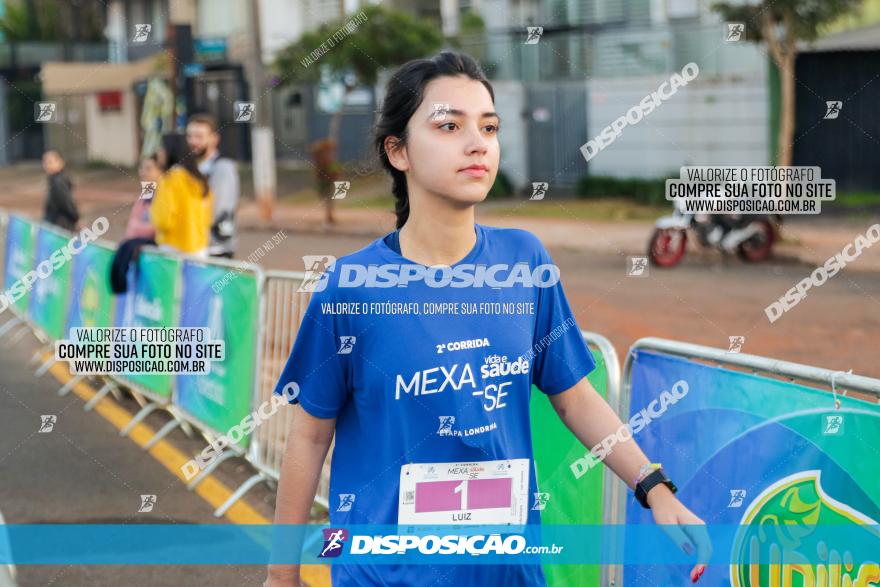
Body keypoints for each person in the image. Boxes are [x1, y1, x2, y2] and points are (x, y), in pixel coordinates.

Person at [264, 52, 710, 587]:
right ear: (398, 151)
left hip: (508, 569)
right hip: (387, 574)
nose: (477, 143)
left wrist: (655, 489)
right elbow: (309, 438)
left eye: (489, 127)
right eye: (449, 126)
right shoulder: (350, 287)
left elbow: (575, 397)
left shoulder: (525, 262)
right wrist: (281, 575)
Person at [186, 113, 239, 258]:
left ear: (214, 139)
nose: (193, 141)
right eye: (189, 136)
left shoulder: (222, 167)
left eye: (199, 136)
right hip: (196, 248)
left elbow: (216, 209)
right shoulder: (193, 168)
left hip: (216, 250)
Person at [150, 134, 213, 257]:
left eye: (161, 148)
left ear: (170, 151)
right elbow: (208, 217)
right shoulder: (199, 180)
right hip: (199, 249)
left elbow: (163, 220)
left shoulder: (169, 179)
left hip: (172, 248)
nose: (159, 153)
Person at [41, 149, 79, 232]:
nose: (46, 165)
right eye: (44, 162)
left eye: (50, 162)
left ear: (61, 163)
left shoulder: (58, 182)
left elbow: (67, 203)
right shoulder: (54, 180)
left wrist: (76, 218)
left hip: (60, 226)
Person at [124, 155, 161, 240]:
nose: (142, 172)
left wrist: (135, 228)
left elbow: (158, 227)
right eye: (141, 168)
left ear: (160, 171)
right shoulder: (147, 192)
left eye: (148, 169)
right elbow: (132, 225)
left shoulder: (164, 196)